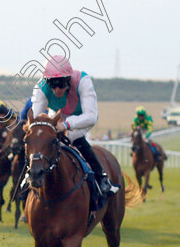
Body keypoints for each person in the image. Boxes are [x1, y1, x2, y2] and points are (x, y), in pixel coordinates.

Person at [31, 55, 119, 197]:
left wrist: (66, 125)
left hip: (81, 119)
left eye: (61, 84)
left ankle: (101, 177)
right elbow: (35, 119)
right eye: (52, 85)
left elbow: (91, 116)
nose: (57, 90)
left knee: (73, 137)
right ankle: (26, 178)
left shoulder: (83, 81)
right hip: (58, 117)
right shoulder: (41, 88)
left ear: (68, 79)